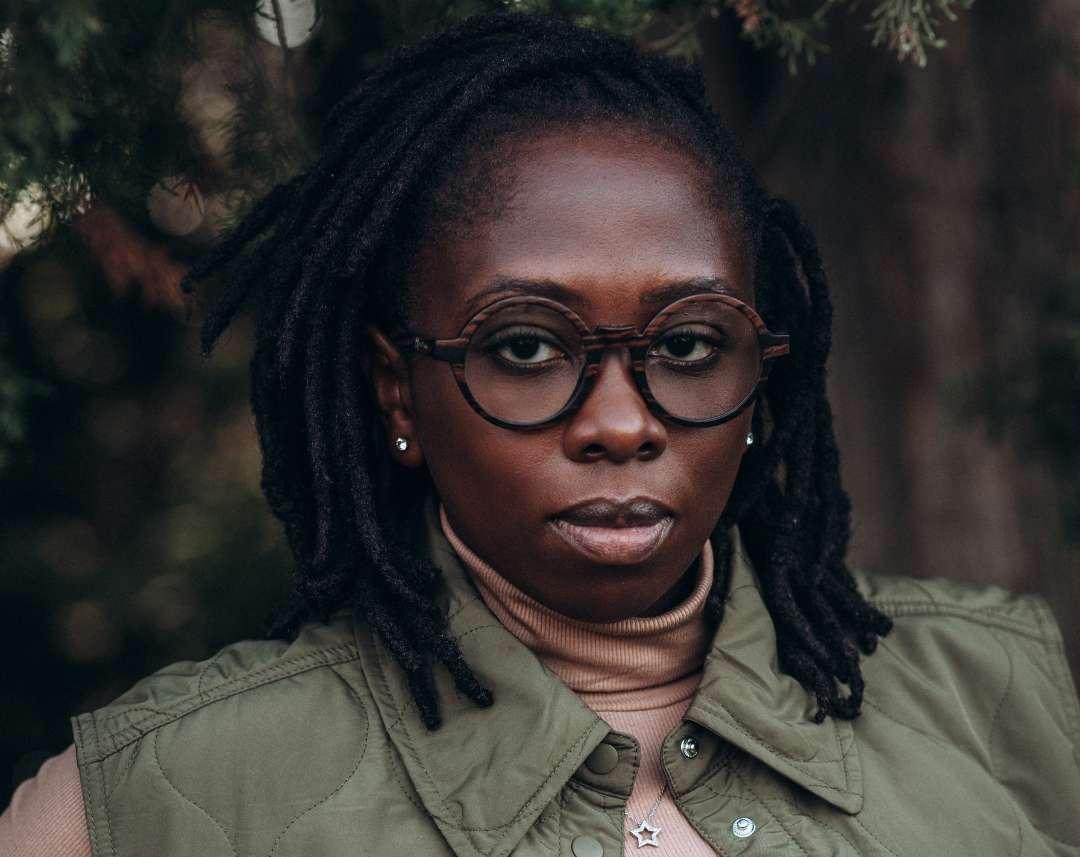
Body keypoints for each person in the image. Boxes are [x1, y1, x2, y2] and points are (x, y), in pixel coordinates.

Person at [3, 10, 1079, 857]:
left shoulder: (1002, 690)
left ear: (765, 374)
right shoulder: (177, 784)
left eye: (692, 344)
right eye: (525, 348)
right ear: (396, 393)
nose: (620, 422)